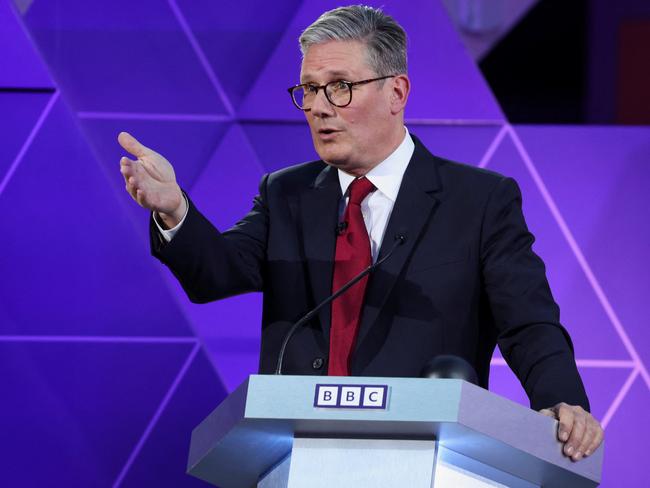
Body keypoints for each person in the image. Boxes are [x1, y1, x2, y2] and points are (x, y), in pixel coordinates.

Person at [118, 5, 603, 461]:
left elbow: (528, 322)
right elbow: (216, 274)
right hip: (297, 455)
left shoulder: (479, 201)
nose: (319, 107)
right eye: (308, 88)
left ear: (396, 93)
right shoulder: (286, 194)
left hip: (426, 455)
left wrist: (562, 401)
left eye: (340, 86)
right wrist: (175, 209)